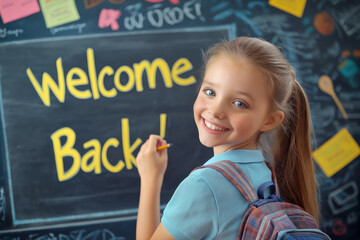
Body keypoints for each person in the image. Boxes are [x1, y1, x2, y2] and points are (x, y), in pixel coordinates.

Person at [135, 37, 319, 240]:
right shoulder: (269, 176)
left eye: (240, 103)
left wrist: (151, 178)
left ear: (269, 120)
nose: (216, 111)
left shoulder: (204, 186)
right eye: (210, 92)